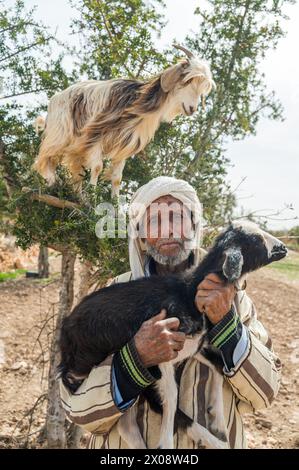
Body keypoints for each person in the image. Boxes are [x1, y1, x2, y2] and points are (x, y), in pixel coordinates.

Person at [59, 176, 281, 449]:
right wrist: (134, 358)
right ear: (140, 234)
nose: (168, 230)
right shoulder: (113, 295)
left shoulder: (234, 299)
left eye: (177, 217)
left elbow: (265, 393)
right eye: (154, 221)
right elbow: (78, 408)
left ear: (194, 225)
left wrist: (226, 324)